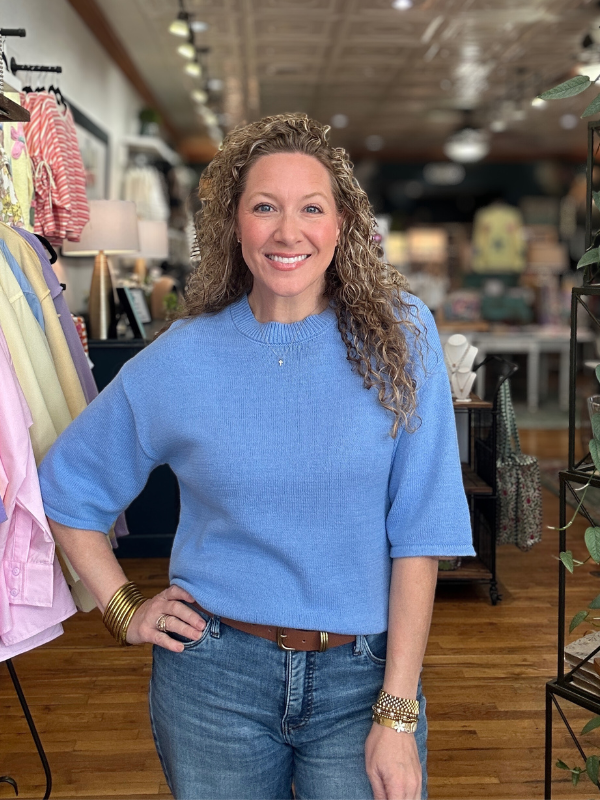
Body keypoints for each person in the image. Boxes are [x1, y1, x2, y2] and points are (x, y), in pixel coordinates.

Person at [38, 113, 475, 800]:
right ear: (234, 225)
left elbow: (420, 529)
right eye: (265, 207)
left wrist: (397, 709)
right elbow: (67, 486)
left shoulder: (401, 335)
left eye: (312, 208)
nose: (287, 232)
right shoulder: (184, 357)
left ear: (342, 225)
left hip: (364, 677)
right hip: (212, 681)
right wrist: (122, 608)